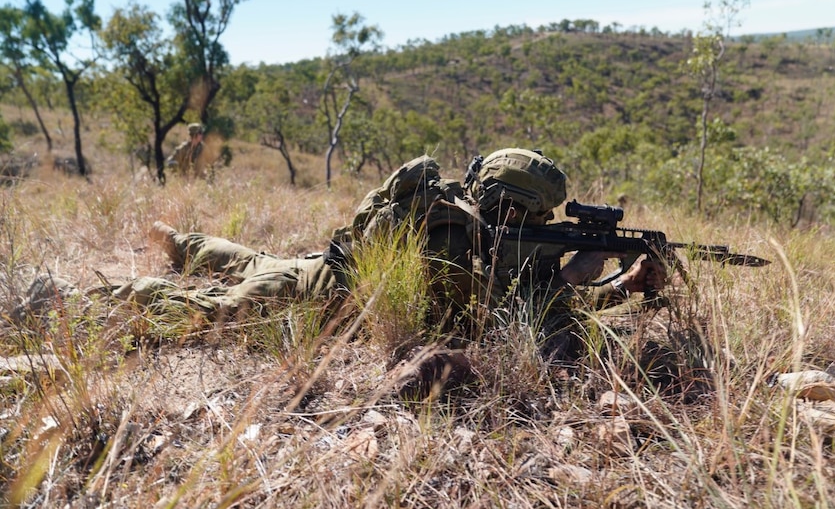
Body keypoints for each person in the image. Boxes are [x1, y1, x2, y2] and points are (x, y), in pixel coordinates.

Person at [10, 149, 664, 354]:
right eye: (535, 216)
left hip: (311, 274)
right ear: (513, 207)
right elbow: (501, 309)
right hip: (311, 300)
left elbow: (529, 303)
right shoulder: (450, 229)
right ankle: (52, 296)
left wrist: (618, 285)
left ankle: (181, 241)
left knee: (254, 258)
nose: (541, 225)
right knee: (201, 312)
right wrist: (577, 280)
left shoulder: (514, 252)